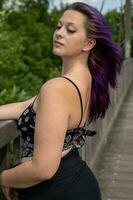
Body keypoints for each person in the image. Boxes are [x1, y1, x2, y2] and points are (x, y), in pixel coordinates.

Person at [0, 2, 122, 200]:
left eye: (70, 30)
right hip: (76, 183)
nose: (59, 33)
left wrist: (4, 177)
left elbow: (42, 169)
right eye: (59, 26)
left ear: (89, 43)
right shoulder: (84, 79)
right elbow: (27, 106)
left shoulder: (57, 88)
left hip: (58, 190)